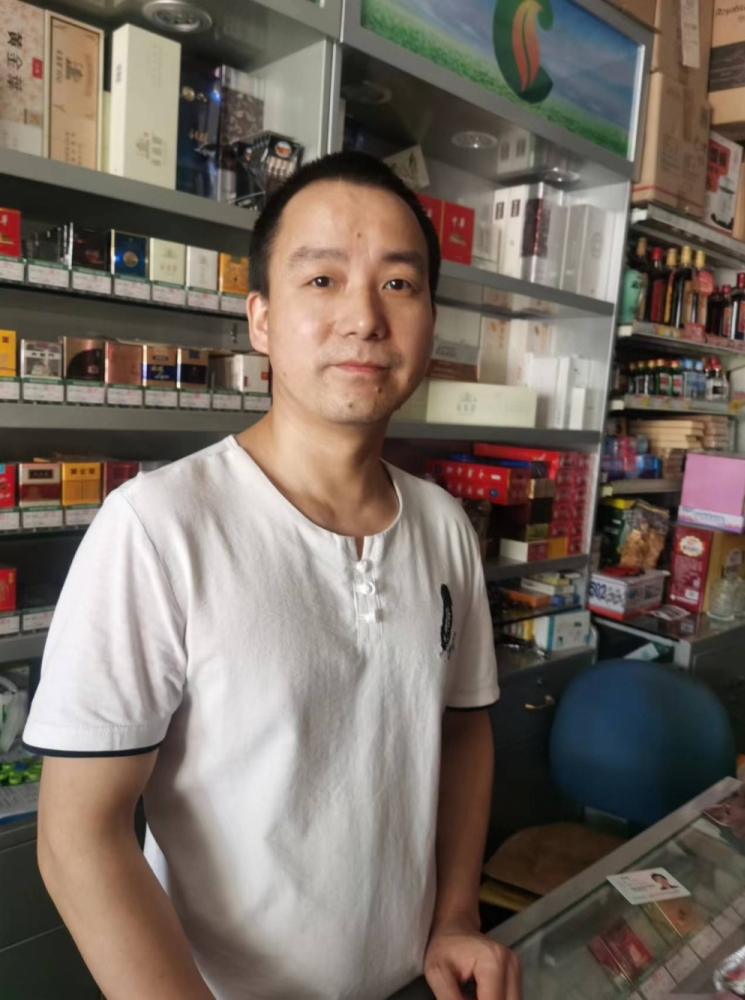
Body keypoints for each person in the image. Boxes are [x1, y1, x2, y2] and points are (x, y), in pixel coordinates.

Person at [24, 151, 521, 1000]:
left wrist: (454, 917)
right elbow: (78, 837)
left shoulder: (444, 526)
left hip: (414, 981)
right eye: (322, 280)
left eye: (399, 284)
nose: (364, 318)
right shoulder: (157, 527)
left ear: (430, 320)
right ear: (260, 318)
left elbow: (463, 728)